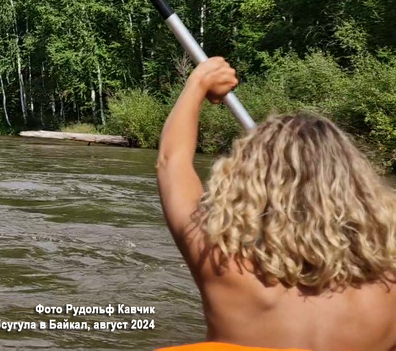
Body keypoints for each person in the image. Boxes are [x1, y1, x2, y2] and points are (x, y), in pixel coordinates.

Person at [155, 57, 396, 351]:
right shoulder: (388, 289)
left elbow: (171, 162)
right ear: (356, 185)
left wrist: (199, 81)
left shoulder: (222, 264)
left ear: (253, 183)